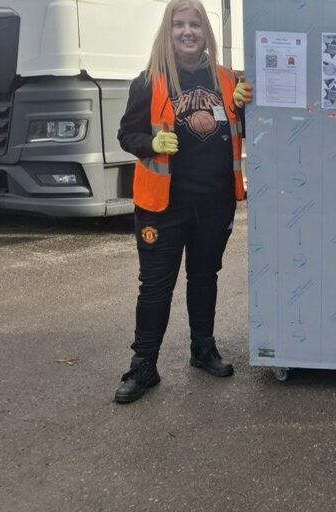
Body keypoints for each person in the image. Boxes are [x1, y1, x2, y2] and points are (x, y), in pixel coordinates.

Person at [115, 0, 252, 404]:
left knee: (204, 276)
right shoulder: (149, 81)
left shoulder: (227, 81)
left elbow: (243, 127)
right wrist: (151, 143)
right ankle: (143, 366)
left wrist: (248, 102)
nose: (187, 31)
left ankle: (202, 348)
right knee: (155, 288)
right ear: (168, 31)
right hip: (163, 206)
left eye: (195, 24)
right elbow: (126, 135)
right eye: (179, 24)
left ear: (205, 33)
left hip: (214, 203)